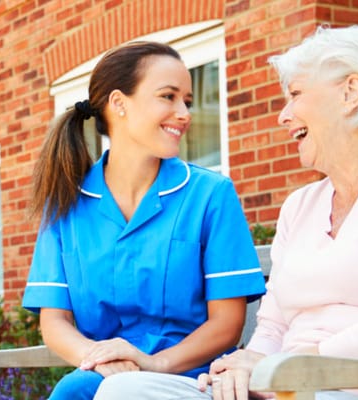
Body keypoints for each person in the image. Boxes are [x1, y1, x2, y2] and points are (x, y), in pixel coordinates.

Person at [93, 24, 358, 400]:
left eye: (295, 94)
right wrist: (246, 370)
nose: (284, 115)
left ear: (351, 92)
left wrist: (279, 367)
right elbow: (273, 325)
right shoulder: (302, 204)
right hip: (288, 387)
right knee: (125, 390)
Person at [21, 41, 267, 400]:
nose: (184, 113)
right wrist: (102, 360)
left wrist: (152, 365)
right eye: (168, 96)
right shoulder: (66, 203)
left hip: (191, 380)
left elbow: (226, 326)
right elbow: (54, 322)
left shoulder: (211, 195)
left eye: (187, 101)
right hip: (102, 378)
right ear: (119, 103)